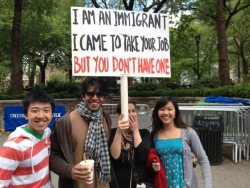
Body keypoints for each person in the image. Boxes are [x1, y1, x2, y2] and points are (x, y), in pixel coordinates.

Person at [50, 77, 112, 188]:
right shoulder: (65, 122)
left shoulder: (106, 118)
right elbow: (52, 156)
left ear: (104, 98)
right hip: (76, 184)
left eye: (99, 95)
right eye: (90, 94)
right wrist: (69, 170)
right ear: (83, 96)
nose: (95, 98)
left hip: (102, 183)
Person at [150, 96, 212, 188]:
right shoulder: (154, 135)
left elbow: (203, 160)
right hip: (162, 184)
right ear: (157, 113)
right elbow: (152, 159)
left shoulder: (188, 132)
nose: (166, 112)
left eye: (169, 109)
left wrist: (208, 185)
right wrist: (153, 166)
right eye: (162, 109)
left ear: (175, 112)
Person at [0, 89, 55, 188]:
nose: (41, 116)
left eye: (46, 110)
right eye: (34, 111)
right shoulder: (14, 146)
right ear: (25, 115)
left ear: (52, 114)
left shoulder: (47, 133)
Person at [109, 101, 152, 188]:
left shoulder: (144, 133)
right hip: (119, 183)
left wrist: (135, 130)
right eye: (127, 111)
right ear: (119, 114)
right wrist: (119, 131)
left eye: (133, 111)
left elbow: (143, 156)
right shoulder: (113, 133)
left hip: (139, 184)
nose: (131, 114)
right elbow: (115, 156)